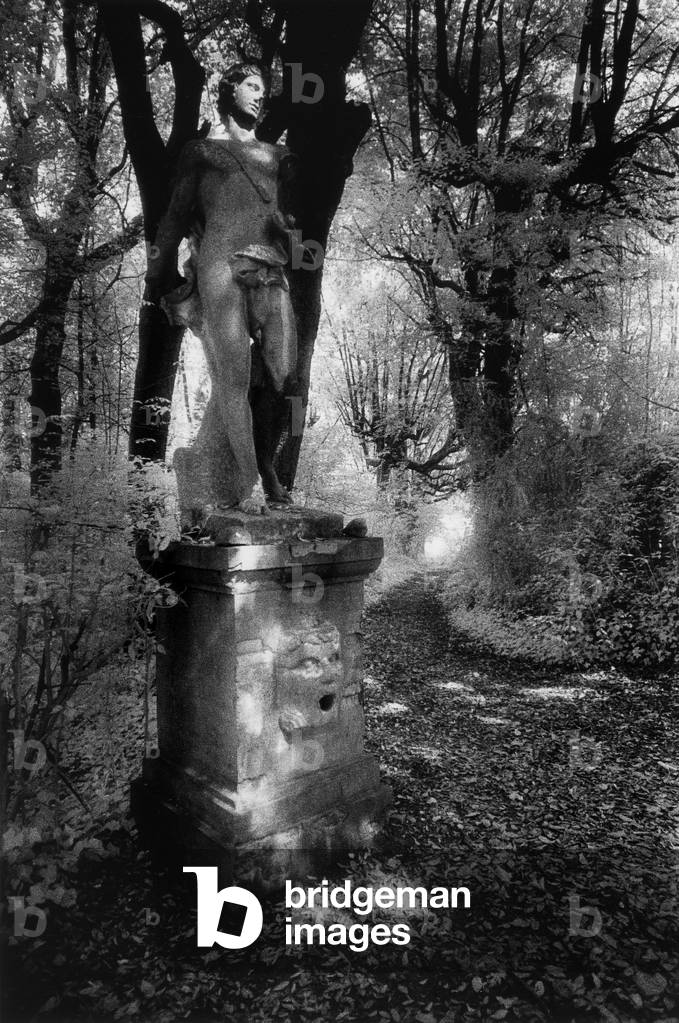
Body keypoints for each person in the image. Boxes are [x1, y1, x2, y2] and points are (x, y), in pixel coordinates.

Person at [146, 62, 298, 518]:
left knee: (283, 375)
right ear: (228, 90)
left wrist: (287, 232)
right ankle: (253, 484)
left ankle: (265, 467)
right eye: (251, 85)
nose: (259, 95)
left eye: (263, 89)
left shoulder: (276, 156)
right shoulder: (202, 152)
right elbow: (174, 217)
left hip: (268, 266)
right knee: (232, 377)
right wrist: (160, 273)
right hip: (219, 266)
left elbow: (280, 219)